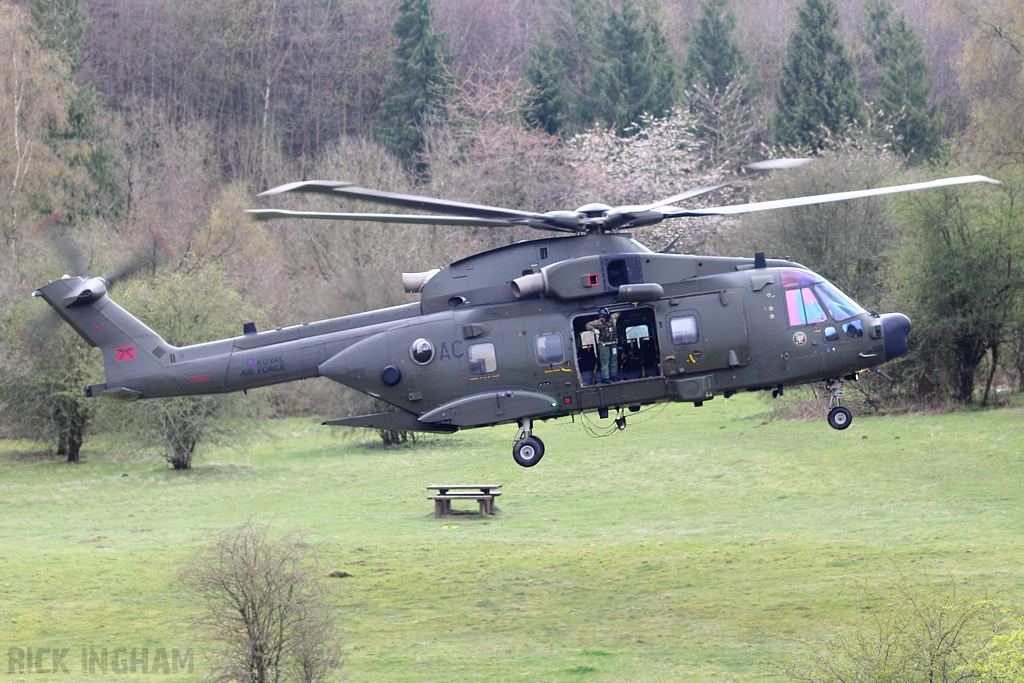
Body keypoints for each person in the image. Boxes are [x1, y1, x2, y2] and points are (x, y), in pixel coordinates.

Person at [585, 308, 619, 383]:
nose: (601, 318)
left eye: (603, 317)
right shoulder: (598, 323)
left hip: (613, 343)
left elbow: (619, 313)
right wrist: (594, 330)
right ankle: (606, 378)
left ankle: (614, 376)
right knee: (605, 361)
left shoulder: (613, 318)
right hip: (604, 345)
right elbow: (588, 325)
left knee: (614, 360)